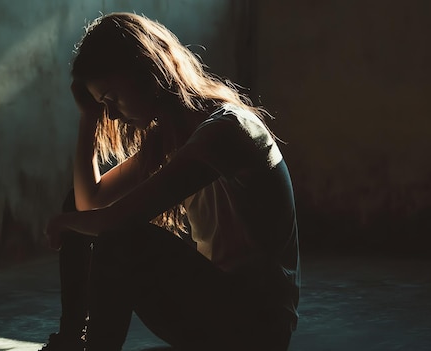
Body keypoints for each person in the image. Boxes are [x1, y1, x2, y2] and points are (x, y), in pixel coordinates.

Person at [42, 12, 300, 351]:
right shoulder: (174, 139)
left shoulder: (227, 129)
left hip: (257, 325)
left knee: (122, 240)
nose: (113, 115)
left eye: (111, 99)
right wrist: (89, 118)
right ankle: (71, 341)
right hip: (216, 311)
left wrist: (64, 223)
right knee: (77, 209)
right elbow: (87, 201)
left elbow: (118, 220)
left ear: (143, 70)